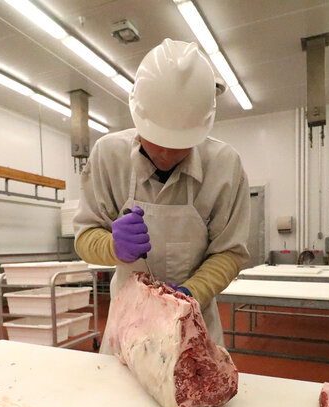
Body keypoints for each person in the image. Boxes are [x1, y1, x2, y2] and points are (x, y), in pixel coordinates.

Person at [73, 38, 250, 350]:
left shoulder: (224, 166)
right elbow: (85, 237)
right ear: (138, 119)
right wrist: (113, 246)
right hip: (127, 323)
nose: (167, 153)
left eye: (180, 142)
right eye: (156, 139)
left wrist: (189, 293)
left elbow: (230, 252)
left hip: (193, 324)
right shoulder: (108, 155)